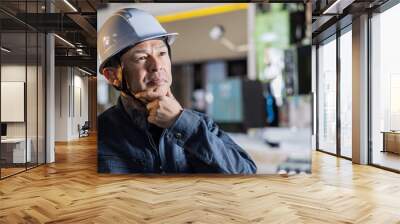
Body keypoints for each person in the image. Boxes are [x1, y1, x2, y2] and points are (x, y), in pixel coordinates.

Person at [97, 8, 257, 174]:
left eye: (162, 53)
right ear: (112, 75)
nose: (157, 65)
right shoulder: (98, 136)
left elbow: (245, 174)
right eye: (141, 57)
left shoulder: (199, 125)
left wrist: (180, 123)